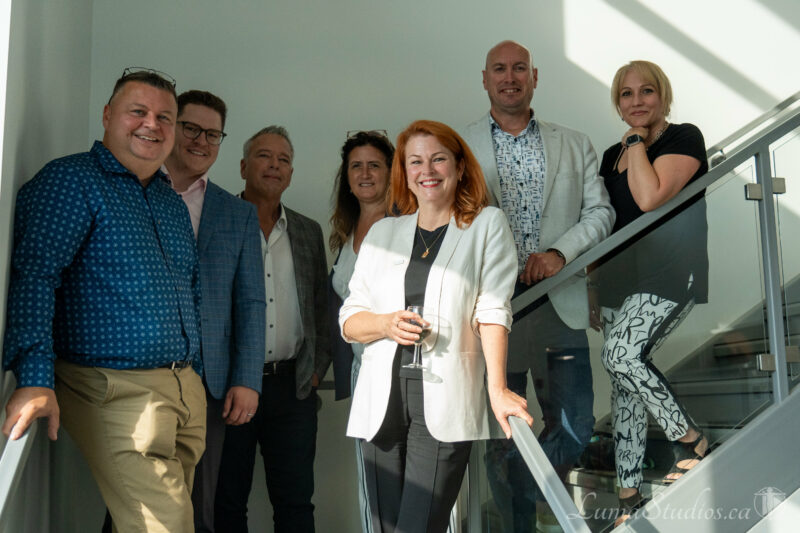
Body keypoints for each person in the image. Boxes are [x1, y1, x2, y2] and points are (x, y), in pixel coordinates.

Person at [2, 69, 205, 533]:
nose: (152, 124)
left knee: (142, 520)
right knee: (167, 525)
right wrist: (34, 378)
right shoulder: (71, 181)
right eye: (138, 111)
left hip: (182, 391)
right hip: (114, 389)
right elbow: (35, 276)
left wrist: (195, 375)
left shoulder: (169, 201)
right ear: (108, 115)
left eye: (165, 117)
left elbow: (188, 290)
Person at [340, 119, 533, 533]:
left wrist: (497, 389)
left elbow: (493, 310)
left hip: (444, 399)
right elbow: (350, 320)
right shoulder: (383, 232)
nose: (427, 170)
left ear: (460, 167)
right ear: (405, 174)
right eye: (415, 161)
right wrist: (386, 323)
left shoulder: (486, 225)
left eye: (438, 158)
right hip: (382, 399)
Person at [462, 40, 614, 531]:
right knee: (502, 432)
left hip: (559, 304)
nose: (510, 77)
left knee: (575, 429)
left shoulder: (574, 143)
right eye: (500, 69)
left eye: (520, 68)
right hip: (492, 309)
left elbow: (601, 212)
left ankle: (513, 480)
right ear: (484, 79)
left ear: (534, 77)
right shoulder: (458, 147)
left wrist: (559, 255)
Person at [592, 60, 709, 522]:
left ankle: (688, 438)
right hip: (621, 280)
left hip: (668, 274)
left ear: (663, 95)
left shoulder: (684, 137)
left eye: (646, 92)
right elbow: (607, 224)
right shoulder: (609, 156)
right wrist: (592, 286)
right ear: (617, 102)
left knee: (621, 356)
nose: (636, 102)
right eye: (626, 94)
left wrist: (638, 141)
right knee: (624, 385)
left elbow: (649, 198)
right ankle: (628, 497)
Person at [215, 126, 330, 533]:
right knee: (225, 501)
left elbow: (321, 303)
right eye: (265, 156)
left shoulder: (307, 231)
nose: (274, 165)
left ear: (292, 174)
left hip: (292, 388)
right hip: (229, 387)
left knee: (296, 501)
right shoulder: (215, 221)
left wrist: (316, 368)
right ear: (244, 166)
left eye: (283, 160)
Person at [164, 90, 266, 532]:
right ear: (170, 127)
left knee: (200, 505)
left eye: (213, 134)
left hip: (210, 383)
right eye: (190, 128)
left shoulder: (238, 213)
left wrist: (246, 379)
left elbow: (250, 301)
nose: (201, 141)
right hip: (141, 378)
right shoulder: (133, 194)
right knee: (135, 499)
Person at [328, 130, 394, 532]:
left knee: (415, 488)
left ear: (391, 172)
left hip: (402, 370)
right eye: (357, 166)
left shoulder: (409, 223)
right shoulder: (346, 231)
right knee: (372, 487)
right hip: (362, 371)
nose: (365, 173)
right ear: (347, 177)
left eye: (375, 165)